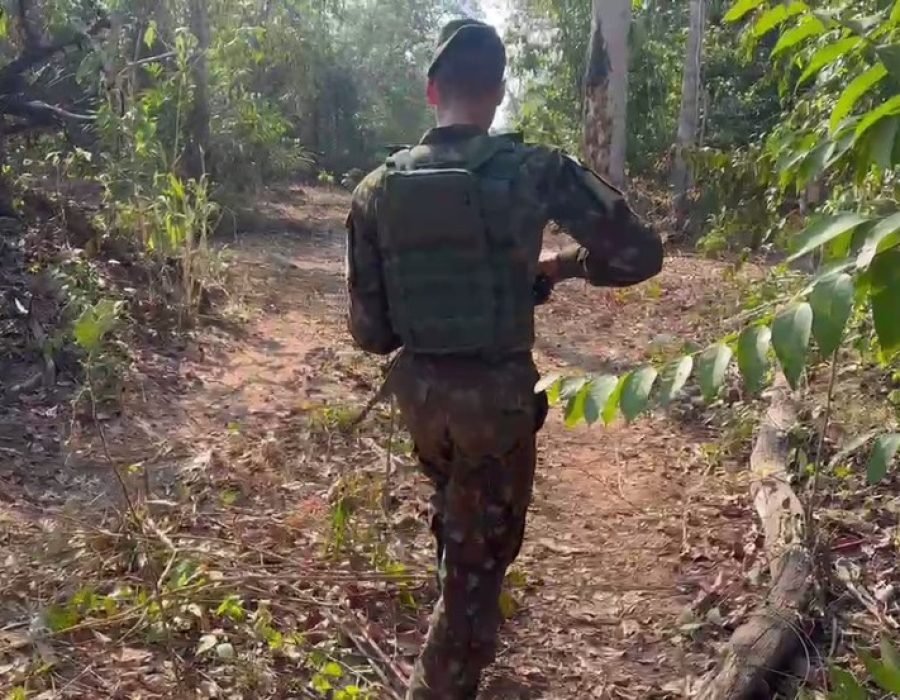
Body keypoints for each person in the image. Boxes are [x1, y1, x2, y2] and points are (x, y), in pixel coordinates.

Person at [344, 18, 663, 699]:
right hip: (498, 413)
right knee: (477, 573)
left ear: (432, 92)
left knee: (459, 529)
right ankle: (441, 680)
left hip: (425, 408)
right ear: (496, 92)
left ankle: (458, 629)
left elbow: (370, 334)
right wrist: (562, 264)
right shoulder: (535, 172)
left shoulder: (373, 191)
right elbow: (639, 254)